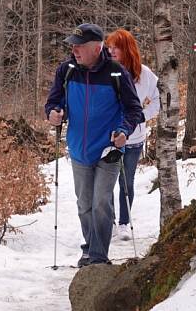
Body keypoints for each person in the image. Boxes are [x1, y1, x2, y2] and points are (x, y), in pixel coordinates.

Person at [45, 23, 144, 267]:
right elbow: (54, 100)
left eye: (80, 46)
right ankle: (90, 247)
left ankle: (98, 256)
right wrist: (53, 113)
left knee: (101, 201)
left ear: (97, 47)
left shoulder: (117, 73)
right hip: (79, 148)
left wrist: (123, 131)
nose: (75, 50)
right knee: (84, 203)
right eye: (73, 46)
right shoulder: (66, 70)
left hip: (108, 149)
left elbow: (134, 110)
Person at [105, 28, 160, 240]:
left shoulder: (144, 74)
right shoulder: (106, 71)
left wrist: (141, 117)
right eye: (109, 47)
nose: (111, 51)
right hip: (108, 136)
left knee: (126, 181)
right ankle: (107, 221)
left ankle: (124, 223)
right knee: (106, 180)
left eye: (115, 47)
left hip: (134, 138)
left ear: (127, 48)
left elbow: (159, 99)